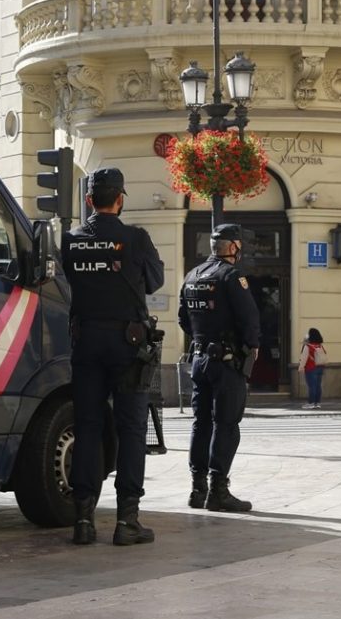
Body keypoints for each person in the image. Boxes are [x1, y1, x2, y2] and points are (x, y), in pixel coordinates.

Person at [61, 167, 164, 546]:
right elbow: (155, 280)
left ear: (89, 200)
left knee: (87, 427)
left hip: (86, 341)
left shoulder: (70, 240)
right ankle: (127, 520)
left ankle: (84, 520)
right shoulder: (135, 238)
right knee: (131, 429)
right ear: (120, 199)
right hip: (127, 344)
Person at [179, 223, 261, 512]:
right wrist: (251, 347)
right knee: (225, 425)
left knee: (200, 424)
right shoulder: (231, 277)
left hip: (199, 359)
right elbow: (249, 319)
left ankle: (197, 489)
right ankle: (218, 491)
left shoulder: (192, 276)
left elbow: (183, 320)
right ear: (234, 247)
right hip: (226, 364)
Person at [297, 328, 326, 409]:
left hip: (311, 368)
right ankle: (317, 403)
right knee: (318, 386)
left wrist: (301, 367)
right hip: (320, 367)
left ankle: (311, 403)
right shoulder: (320, 345)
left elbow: (304, 358)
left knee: (311, 386)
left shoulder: (308, 346)